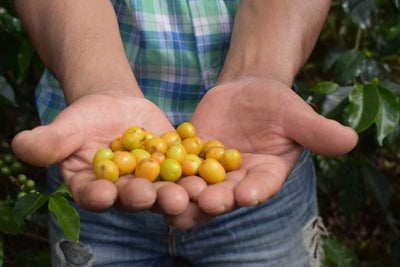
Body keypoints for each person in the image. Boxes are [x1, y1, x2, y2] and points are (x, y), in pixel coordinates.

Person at [12, 0, 358, 266]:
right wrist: (98, 84)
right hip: (88, 155)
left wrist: (260, 72)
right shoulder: (117, 154)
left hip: (263, 162)